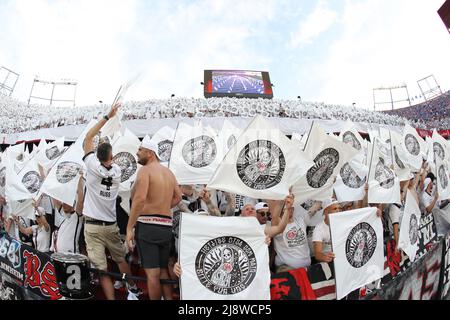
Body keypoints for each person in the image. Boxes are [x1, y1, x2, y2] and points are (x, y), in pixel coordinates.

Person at [82, 103, 139, 300]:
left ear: (96, 157)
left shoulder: (90, 165)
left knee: (102, 268)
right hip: (111, 225)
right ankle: (132, 287)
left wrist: (107, 116)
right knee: (121, 261)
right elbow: (106, 160)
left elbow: (88, 138)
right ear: (112, 157)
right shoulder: (117, 172)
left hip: (92, 227)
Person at [126, 135, 182, 300]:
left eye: (140, 150)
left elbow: (140, 199)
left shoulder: (145, 170)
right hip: (165, 226)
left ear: (150, 153)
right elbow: (178, 197)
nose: (137, 153)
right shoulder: (169, 173)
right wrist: (163, 206)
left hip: (148, 226)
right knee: (163, 269)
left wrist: (130, 228)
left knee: (152, 274)